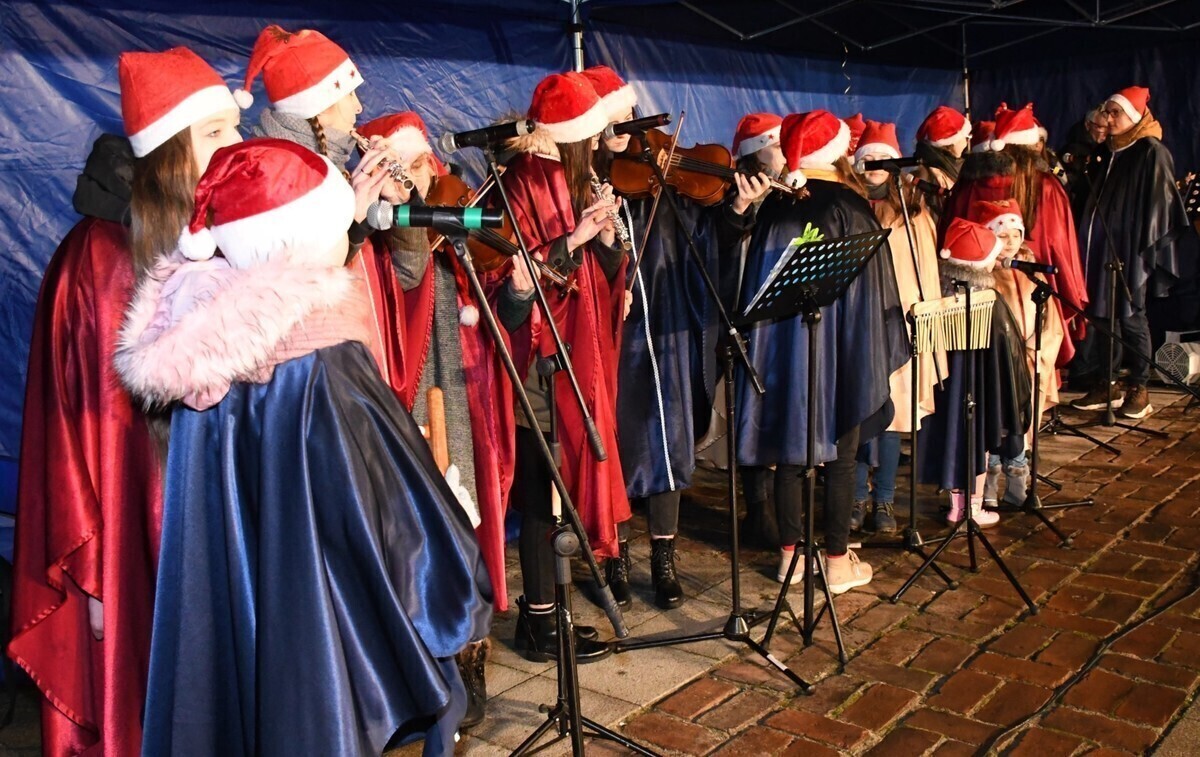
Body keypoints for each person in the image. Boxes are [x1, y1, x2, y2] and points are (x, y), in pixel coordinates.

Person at [116, 139, 491, 756]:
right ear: (303, 234)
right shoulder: (321, 355)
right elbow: (395, 519)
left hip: (263, 600)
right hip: (324, 603)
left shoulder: (204, 345)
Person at [8, 47, 242, 757]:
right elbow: (86, 431)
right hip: (128, 527)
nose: (236, 146)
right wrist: (104, 569)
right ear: (171, 150)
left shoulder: (202, 240)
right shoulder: (101, 259)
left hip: (197, 523)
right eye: (217, 133)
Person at [354, 110, 506, 727]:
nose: (424, 171)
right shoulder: (390, 225)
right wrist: (407, 201)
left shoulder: (447, 213)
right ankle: (419, 673)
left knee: (463, 523)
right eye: (409, 161)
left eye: (424, 160)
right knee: (414, 536)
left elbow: (485, 291)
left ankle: (468, 662)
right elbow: (407, 275)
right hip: (409, 390)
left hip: (459, 388)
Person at [725, 110, 907, 592]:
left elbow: (757, 291)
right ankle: (837, 562)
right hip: (840, 355)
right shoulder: (852, 207)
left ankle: (790, 559)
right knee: (842, 456)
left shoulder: (776, 208)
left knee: (791, 453)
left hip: (787, 353)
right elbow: (875, 296)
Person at [495, 71, 625, 662]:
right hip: (536, 365)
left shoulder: (568, 176)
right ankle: (541, 622)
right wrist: (574, 239)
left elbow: (597, 272)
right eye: (591, 137)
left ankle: (553, 615)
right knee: (542, 494)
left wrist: (605, 237)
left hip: (572, 357)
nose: (599, 146)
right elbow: (510, 278)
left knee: (556, 493)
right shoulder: (522, 180)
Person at [586, 64, 720, 610]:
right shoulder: (586, 179)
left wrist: (728, 207)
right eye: (612, 122)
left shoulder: (661, 176)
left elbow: (702, 238)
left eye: (628, 118)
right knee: (611, 440)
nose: (627, 131)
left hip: (662, 324)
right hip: (605, 330)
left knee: (666, 437)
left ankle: (664, 557)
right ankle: (612, 554)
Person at [240, 23, 405, 396]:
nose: (360, 107)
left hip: (341, 365)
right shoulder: (275, 171)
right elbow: (297, 293)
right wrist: (354, 222)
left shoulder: (337, 167)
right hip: (301, 380)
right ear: (320, 103)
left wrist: (396, 202)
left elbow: (406, 277)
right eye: (351, 95)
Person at [1072, 86, 1191, 419]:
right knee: (1101, 317)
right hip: (1100, 248)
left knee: (1129, 316)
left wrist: (1138, 247)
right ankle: (1106, 381)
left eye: (1116, 113)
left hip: (1128, 250)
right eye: (1106, 112)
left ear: (1134, 116)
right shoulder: (1110, 151)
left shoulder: (1150, 151)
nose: (1108, 119)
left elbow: (1160, 207)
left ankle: (1140, 386)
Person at [850, 120, 942, 534]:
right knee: (855, 415)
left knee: (893, 417)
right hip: (855, 325)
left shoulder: (913, 210)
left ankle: (883, 500)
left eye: (880, 158)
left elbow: (924, 272)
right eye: (865, 158)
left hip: (898, 324)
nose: (872, 164)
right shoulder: (847, 204)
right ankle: (854, 496)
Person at [918, 219, 1031, 526]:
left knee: (953, 442)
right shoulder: (988, 302)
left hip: (943, 386)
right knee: (975, 444)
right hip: (978, 390)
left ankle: (956, 507)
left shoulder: (938, 298)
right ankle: (973, 507)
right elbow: (1005, 353)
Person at [970, 198, 1066, 507]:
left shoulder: (1031, 271)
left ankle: (1017, 484)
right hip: (999, 364)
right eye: (1002, 235)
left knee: (1021, 426)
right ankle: (988, 487)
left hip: (1029, 362)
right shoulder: (984, 274)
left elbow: (1052, 322)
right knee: (996, 421)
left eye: (1015, 234)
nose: (1010, 242)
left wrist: (1036, 354)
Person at [913, 105, 972, 222]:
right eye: (966, 136)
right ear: (952, 142)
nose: (968, 140)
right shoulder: (932, 177)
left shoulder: (957, 166)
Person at [1059, 106, 1108, 222]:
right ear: (1088, 125)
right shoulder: (1073, 150)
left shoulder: (1107, 151)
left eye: (1108, 128)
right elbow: (1062, 176)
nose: (1105, 133)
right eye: (1101, 127)